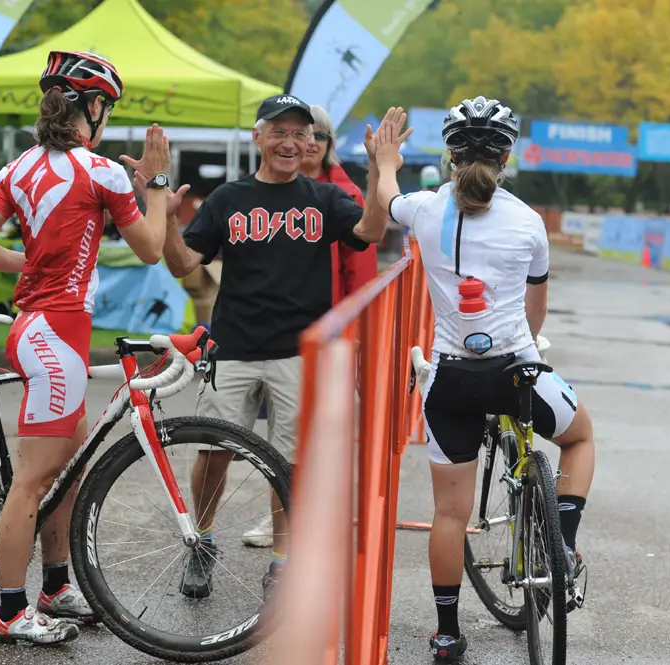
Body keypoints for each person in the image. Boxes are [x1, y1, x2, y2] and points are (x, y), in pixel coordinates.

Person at [0, 49, 181, 646]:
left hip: (41, 327)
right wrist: (157, 183)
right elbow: (152, 250)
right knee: (34, 481)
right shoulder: (102, 171)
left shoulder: (17, 167)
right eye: (105, 106)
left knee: (67, 470)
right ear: (93, 106)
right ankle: (10, 611)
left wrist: (31, 264)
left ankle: (56, 586)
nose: (106, 116)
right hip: (56, 334)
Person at [374, 96, 595, 661]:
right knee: (579, 437)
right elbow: (535, 306)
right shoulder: (528, 222)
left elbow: (385, 199)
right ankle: (562, 545)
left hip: (450, 378)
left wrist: (386, 160)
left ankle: (447, 634)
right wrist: (527, 344)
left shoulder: (424, 209)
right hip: (516, 369)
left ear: (450, 155)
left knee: (449, 513)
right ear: (507, 156)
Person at [161, 95, 406, 601]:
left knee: (288, 463)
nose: (291, 142)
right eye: (280, 131)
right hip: (232, 349)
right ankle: (201, 543)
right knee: (212, 452)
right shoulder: (228, 198)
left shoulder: (322, 198)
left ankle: (282, 561)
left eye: (302, 134)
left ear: (313, 144)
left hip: (298, 354)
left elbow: (371, 230)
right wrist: (164, 217)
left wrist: (380, 173)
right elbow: (183, 262)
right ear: (259, 138)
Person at [241, 103, 381, 547]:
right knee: (284, 433)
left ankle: (304, 519)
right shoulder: (263, 192)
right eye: (301, 134)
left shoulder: (341, 195)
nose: (308, 144)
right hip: (267, 335)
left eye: (317, 136)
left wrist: (351, 338)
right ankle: (291, 517)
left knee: (309, 435)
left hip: (324, 335)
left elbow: (361, 275)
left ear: (326, 145)